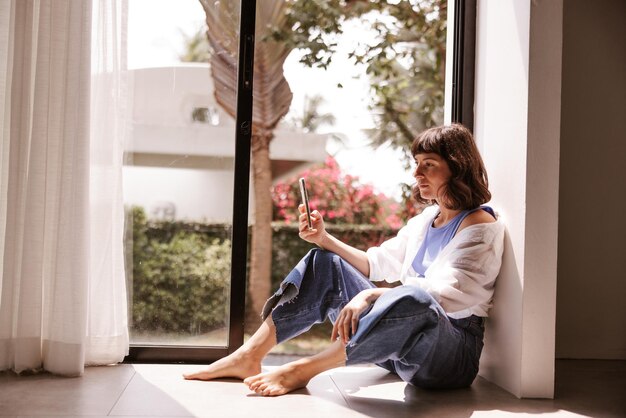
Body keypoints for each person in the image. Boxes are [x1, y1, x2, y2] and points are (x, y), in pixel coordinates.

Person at [183, 123, 505, 396]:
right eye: (416, 162)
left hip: (449, 357)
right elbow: (375, 263)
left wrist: (368, 295)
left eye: (429, 164)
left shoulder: (480, 227)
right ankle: (250, 355)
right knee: (324, 262)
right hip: (399, 350)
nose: (416, 172)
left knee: (417, 298)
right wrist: (324, 239)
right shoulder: (427, 220)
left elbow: (441, 295)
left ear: (457, 165)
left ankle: (303, 370)